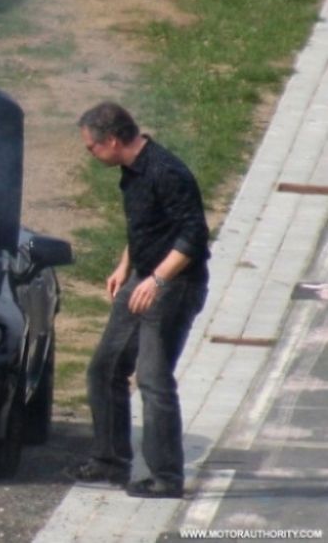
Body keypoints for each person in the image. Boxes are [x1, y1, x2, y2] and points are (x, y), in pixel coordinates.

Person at [66, 101, 210, 498]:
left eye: (91, 147)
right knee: (104, 368)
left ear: (112, 140)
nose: (90, 154)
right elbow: (146, 225)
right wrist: (124, 266)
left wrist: (157, 281)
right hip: (144, 278)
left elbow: (193, 237)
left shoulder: (167, 172)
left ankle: (166, 478)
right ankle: (110, 461)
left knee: (152, 379)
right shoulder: (131, 172)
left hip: (175, 286)